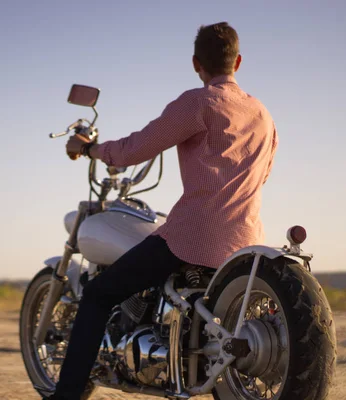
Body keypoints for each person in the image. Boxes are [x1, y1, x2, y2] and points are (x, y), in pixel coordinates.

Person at [46, 22, 279, 400]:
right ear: (237, 61)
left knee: (98, 295)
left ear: (195, 63)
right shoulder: (263, 115)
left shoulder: (198, 102)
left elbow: (134, 150)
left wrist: (89, 149)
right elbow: (262, 175)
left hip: (192, 235)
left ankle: (67, 395)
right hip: (246, 240)